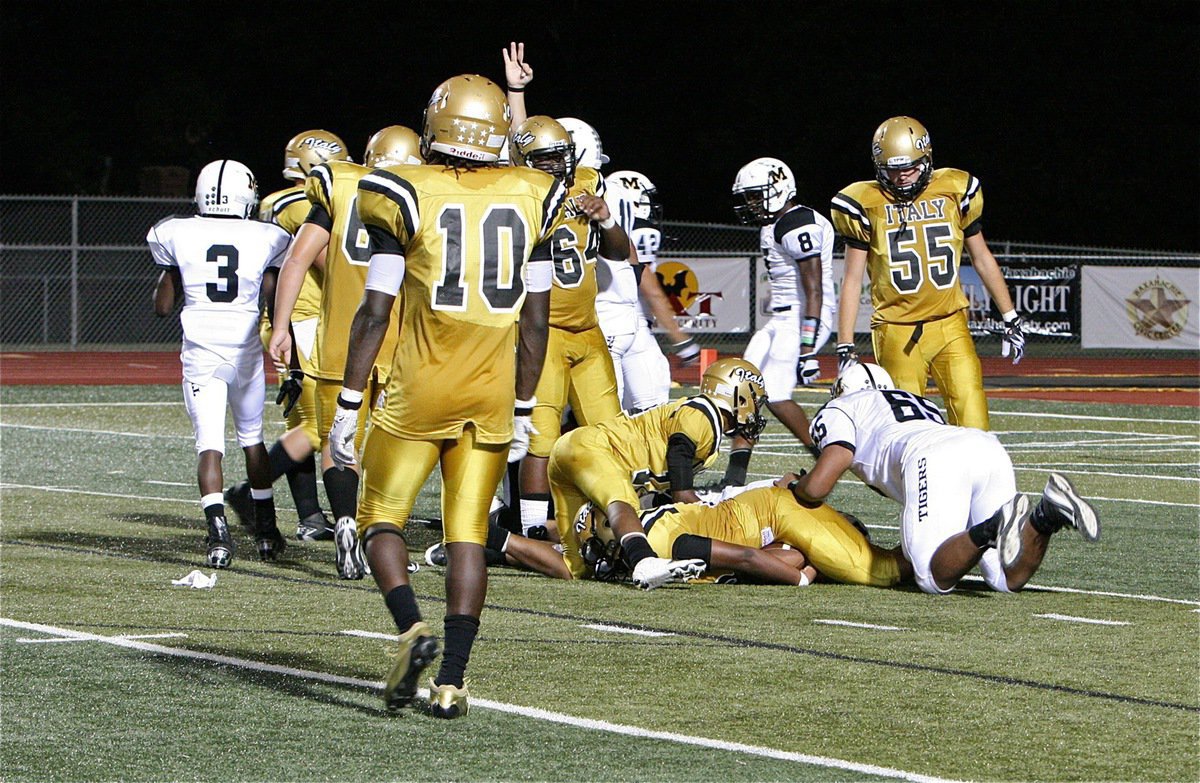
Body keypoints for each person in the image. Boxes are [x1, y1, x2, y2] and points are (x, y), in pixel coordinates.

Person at [329, 74, 569, 718]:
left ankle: (410, 627)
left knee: (382, 518)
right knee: (469, 533)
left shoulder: (403, 190)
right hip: (492, 391)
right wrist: (524, 406)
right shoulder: (534, 195)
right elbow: (537, 322)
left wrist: (349, 403)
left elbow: (375, 311)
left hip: (420, 386)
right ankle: (454, 681)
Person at [785, 363, 1100, 595]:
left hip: (932, 457)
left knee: (931, 576)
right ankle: (1046, 516)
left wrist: (796, 487)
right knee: (1006, 579)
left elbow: (821, 482)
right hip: (984, 445)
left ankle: (993, 527)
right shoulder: (920, 403)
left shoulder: (841, 406)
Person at [269, 126, 421, 579]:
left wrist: (280, 327)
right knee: (390, 441)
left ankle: (347, 524)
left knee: (340, 437)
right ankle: (382, 534)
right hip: (399, 337)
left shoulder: (339, 186)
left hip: (342, 334)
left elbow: (296, 259)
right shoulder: (422, 196)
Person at [830, 116, 1025, 430]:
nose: (903, 177)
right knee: (907, 430)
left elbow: (982, 257)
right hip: (897, 331)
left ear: (927, 159)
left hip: (950, 324)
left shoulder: (953, 190)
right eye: (893, 170)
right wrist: (845, 344)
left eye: (910, 168)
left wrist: (1010, 314)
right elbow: (852, 279)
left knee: (974, 423)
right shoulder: (864, 202)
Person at [148, 159, 291, 567]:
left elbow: (161, 307)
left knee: (209, 445)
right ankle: (266, 531)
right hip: (244, 351)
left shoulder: (176, 232)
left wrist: (175, 269)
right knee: (252, 439)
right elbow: (271, 293)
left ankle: (218, 535)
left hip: (201, 351)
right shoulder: (266, 236)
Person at [507, 115, 627, 542]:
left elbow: (620, 254)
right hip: (544, 333)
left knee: (614, 434)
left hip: (588, 330)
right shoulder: (513, 193)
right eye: (546, 159)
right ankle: (532, 533)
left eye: (562, 157)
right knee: (539, 438)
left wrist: (606, 218)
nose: (557, 166)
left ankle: (617, 517)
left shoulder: (588, 182)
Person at [225, 129, 349, 543]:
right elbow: (330, 265)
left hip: (279, 319)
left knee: (301, 418)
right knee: (322, 426)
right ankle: (248, 493)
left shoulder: (271, 203)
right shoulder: (303, 206)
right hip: (306, 320)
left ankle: (311, 517)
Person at [547, 357, 768, 588]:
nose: (756, 408)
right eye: (755, 399)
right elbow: (682, 495)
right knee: (622, 501)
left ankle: (505, 542)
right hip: (593, 448)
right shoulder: (702, 416)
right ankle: (644, 561)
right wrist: (716, 521)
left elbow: (669, 494)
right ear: (738, 394)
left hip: (572, 453)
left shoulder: (702, 421)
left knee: (575, 567)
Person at [465, 480, 911, 589]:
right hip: (760, 513)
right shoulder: (662, 539)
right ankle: (490, 536)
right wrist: (803, 579)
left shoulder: (658, 538)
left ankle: (492, 541)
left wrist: (805, 570)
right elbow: (749, 560)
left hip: (759, 515)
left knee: (876, 570)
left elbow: (752, 559)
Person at [720, 157, 834, 488]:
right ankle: (735, 474)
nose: (752, 203)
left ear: (779, 187)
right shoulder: (777, 223)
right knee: (743, 384)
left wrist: (808, 349)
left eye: (757, 195)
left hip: (803, 314)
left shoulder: (796, 223)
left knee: (777, 392)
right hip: (782, 317)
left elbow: (814, 288)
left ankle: (824, 456)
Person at [600, 169, 700, 411]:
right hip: (629, 323)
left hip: (598, 319)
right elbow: (647, 284)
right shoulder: (639, 229)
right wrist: (680, 339)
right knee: (652, 404)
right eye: (644, 199)